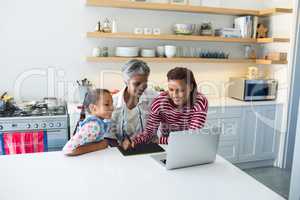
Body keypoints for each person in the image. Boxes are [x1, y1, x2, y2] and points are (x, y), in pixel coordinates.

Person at [126, 67, 208, 148]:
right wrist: (134, 141)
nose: (175, 95)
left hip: (189, 146)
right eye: (171, 89)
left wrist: (159, 140)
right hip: (167, 147)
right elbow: (150, 132)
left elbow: (191, 137)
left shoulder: (200, 101)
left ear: (190, 87)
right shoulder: (159, 102)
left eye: (180, 90)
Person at [108, 59, 158, 149]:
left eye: (145, 83)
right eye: (137, 83)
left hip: (151, 149)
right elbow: (109, 137)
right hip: (122, 152)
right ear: (126, 82)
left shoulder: (153, 97)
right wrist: (122, 146)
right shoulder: (113, 102)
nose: (142, 87)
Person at [63, 89, 114, 156]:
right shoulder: (93, 126)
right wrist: (100, 145)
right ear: (93, 108)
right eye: (107, 104)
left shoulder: (99, 122)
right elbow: (68, 150)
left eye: (112, 104)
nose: (112, 108)